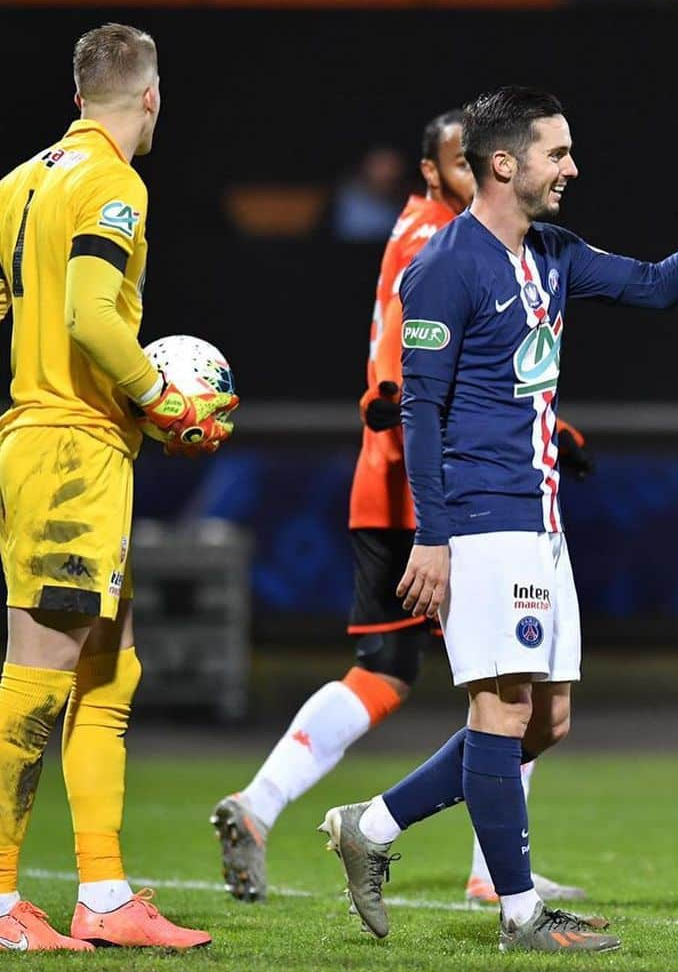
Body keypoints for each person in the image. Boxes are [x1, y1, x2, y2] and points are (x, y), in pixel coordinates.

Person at [316, 85, 678, 953]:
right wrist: (434, 536)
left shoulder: (551, 251)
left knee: (546, 723)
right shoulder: (442, 267)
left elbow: (659, 287)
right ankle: (520, 915)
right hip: (481, 521)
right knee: (504, 712)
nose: (573, 167)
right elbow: (419, 413)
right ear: (505, 163)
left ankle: (375, 825)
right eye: (558, 152)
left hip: (540, 519)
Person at [212, 109, 591, 907]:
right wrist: (435, 510)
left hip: (411, 490)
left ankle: (272, 804)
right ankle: (474, 869)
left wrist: (547, 427)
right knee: (503, 687)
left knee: (413, 674)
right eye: (459, 168)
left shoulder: (434, 238)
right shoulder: (436, 246)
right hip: (424, 499)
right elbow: (403, 389)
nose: (472, 182)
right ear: (435, 173)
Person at [0, 23, 236, 953]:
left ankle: (102, 893)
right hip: (72, 451)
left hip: (48, 439)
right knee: (40, 670)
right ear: (150, 96)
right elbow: (92, 315)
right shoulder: (113, 183)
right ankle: (3, 903)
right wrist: (159, 397)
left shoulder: (19, 184)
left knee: (107, 662)